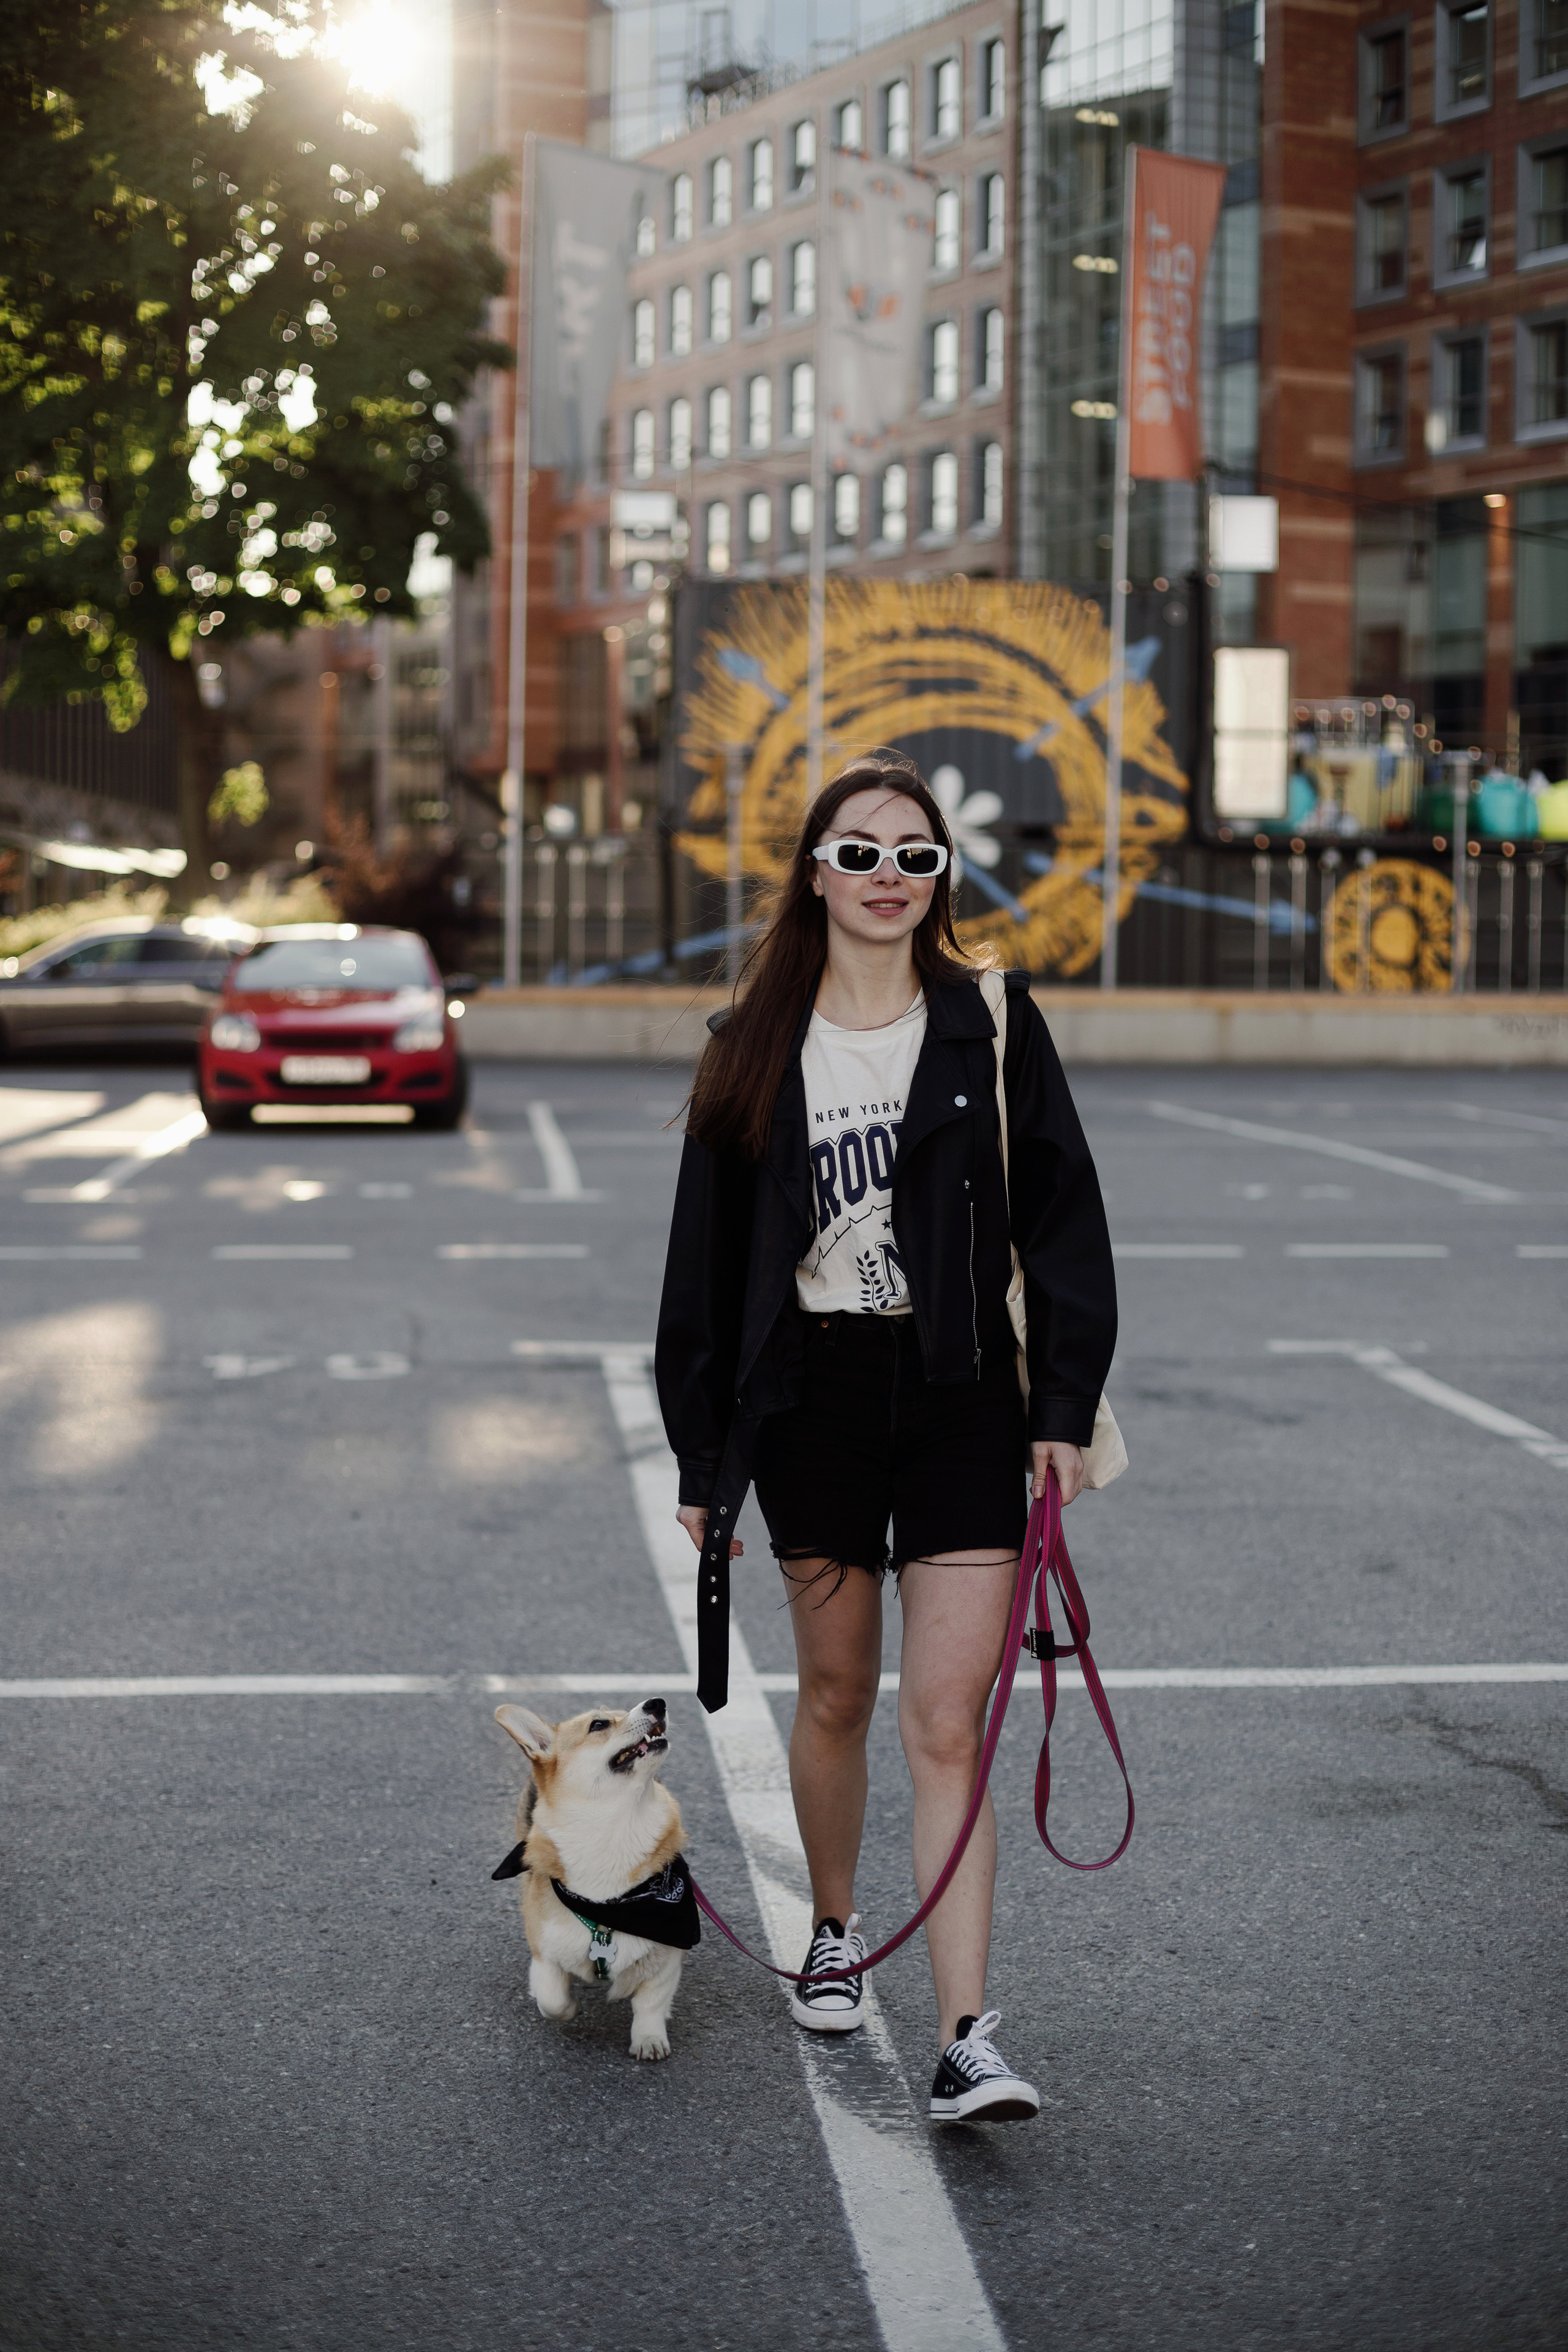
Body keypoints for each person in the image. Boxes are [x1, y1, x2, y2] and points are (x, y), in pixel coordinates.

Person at [654, 752, 1117, 2123]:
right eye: (856, 853)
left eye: (913, 856)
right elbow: (704, 1262)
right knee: (841, 1692)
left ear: (940, 879)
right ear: (813, 872)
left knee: (943, 1719)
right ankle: (832, 1933)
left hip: (964, 1390)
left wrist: (1061, 1413)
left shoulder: (987, 1018)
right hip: (815, 1401)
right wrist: (703, 1457)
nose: (885, 878)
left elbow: (1064, 1220)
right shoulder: (750, 1041)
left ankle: (969, 2032)